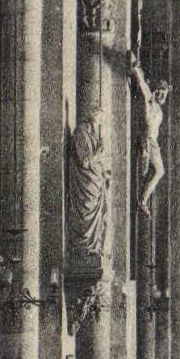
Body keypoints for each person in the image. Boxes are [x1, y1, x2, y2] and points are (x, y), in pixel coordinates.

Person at [129, 51, 168, 216]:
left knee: (159, 171)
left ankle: (142, 201)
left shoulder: (159, 109)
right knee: (145, 171)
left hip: (154, 143)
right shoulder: (149, 99)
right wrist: (136, 68)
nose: (161, 95)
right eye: (159, 92)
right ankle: (141, 201)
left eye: (164, 94)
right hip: (147, 139)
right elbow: (142, 84)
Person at [68, 107, 111, 256]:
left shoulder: (93, 136)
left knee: (103, 213)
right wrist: (99, 152)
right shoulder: (80, 133)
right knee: (86, 215)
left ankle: (95, 246)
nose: (100, 125)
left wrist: (104, 172)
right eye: (99, 121)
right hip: (85, 185)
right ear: (91, 119)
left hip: (96, 183)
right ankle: (86, 247)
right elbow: (86, 162)